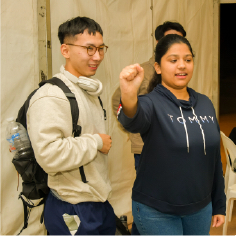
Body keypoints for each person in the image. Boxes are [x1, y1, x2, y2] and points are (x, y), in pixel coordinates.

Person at [117, 34, 226, 235]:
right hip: (157, 210)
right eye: (173, 60)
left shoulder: (205, 103)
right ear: (158, 67)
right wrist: (129, 94)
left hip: (200, 209)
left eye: (187, 59)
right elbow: (131, 120)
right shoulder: (151, 103)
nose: (182, 66)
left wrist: (218, 203)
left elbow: (213, 158)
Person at [27, 16, 116, 235]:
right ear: (65, 50)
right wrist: (95, 142)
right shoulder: (51, 96)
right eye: (89, 49)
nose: (97, 56)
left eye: (101, 48)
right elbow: (49, 155)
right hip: (72, 207)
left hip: (98, 201)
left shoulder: (87, 90)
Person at [112, 21, 186, 235]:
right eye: (169, 38)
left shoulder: (180, 72)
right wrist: (131, 127)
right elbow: (118, 99)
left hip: (174, 149)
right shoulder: (141, 71)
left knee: (169, 200)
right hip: (145, 149)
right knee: (148, 201)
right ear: (157, 42)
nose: (174, 43)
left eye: (180, 39)